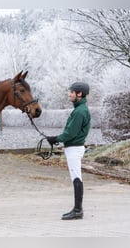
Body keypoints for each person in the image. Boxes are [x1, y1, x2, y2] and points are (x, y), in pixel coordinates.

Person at [47, 82, 91, 220]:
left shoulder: (79, 111)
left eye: (72, 92)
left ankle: (78, 210)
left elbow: (71, 133)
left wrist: (56, 139)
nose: (69, 94)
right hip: (74, 148)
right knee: (76, 177)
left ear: (79, 94)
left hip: (74, 148)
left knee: (76, 177)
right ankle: (77, 209)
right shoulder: (80, 109)